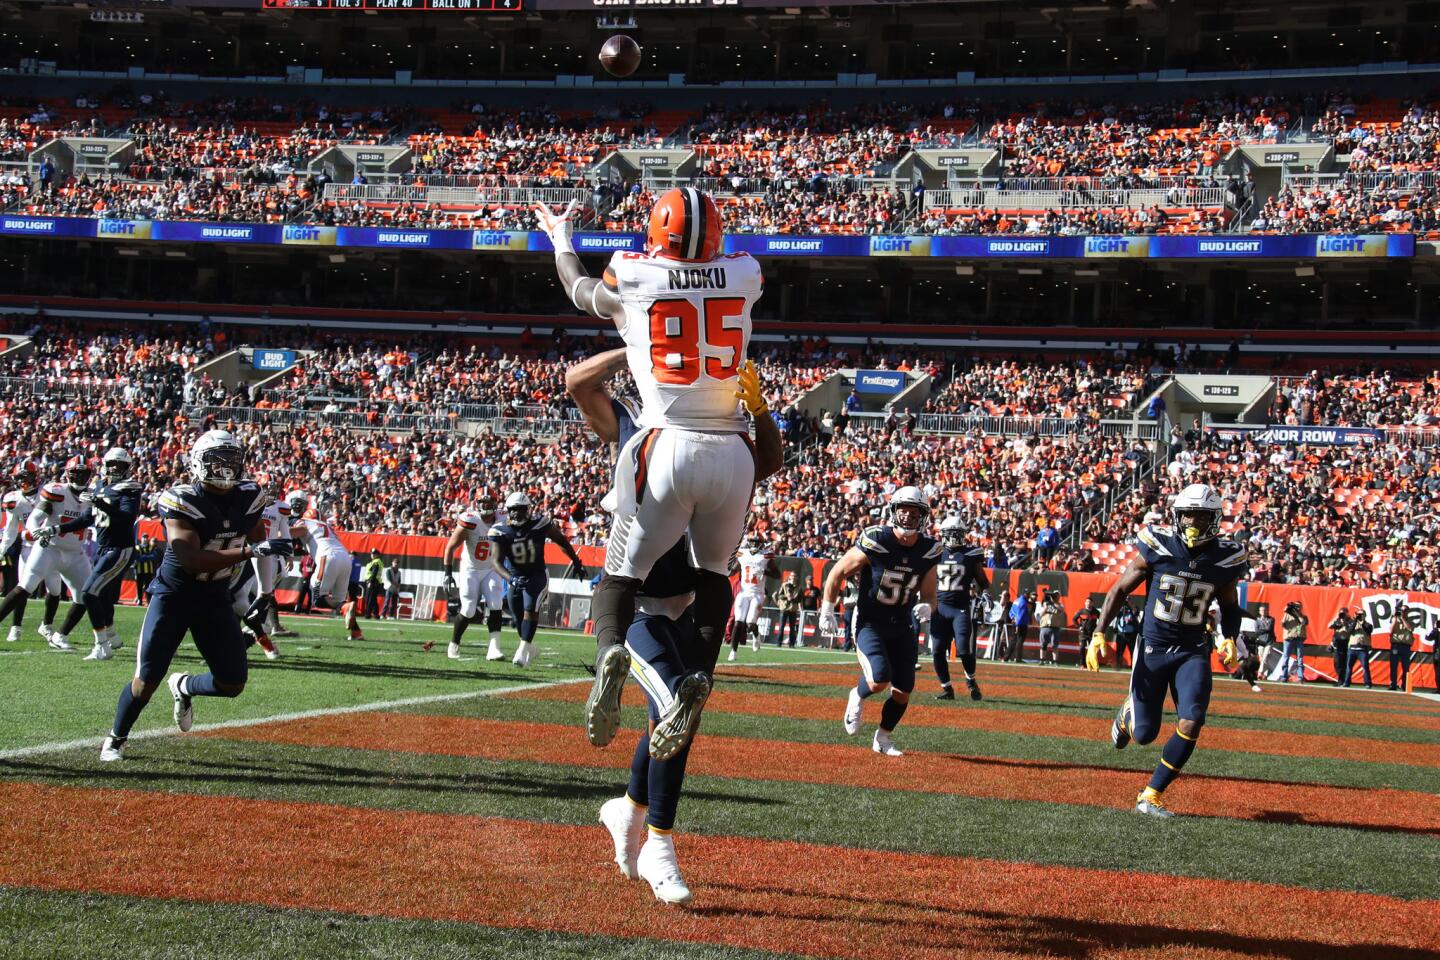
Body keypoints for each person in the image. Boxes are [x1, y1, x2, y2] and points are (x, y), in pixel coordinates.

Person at [535, 188, 764, 749]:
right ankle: (699, 675)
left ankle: (611, 649)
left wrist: (561, 238)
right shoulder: (746, 271)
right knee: (714, 575)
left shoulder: (632, 271)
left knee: (620, 575)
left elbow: (579, 289)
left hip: (666, 440)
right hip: (733, 447)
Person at [99, 430, 294, 762]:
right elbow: (192, 559)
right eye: (217, 462)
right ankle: (116, 738)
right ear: (197, 463)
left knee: (233, 683)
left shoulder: (249, 495)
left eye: (232, 461)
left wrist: (265, 590)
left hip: (215, 597)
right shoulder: (181, 499)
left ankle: (185, 686)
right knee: (146, 679)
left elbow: (261, 543)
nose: (225, 470)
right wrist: (250, 551)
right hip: (175, 596)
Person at [1086, 483, 1248, 818]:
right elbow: (1119, 589)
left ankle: (1151, 795)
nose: (1192, 521)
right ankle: (1128, 714)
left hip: (1192, 650)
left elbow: (1230, 607)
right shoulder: (1157, 544)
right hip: (1153, 648)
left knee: (1193, 720)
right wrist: (1099, 633)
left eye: (1201, 516)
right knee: (1145, 734)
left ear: (1214, 519)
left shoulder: (1224, 557)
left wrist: (1230, 636)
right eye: (1187, 513)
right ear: (1177, 514)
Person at [819, 487, 942, 757]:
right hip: (870, 622)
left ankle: (883, 739)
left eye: (914, 512)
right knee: (878, 679)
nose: (908, 516)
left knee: (903, 689)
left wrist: (928, 606)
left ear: (923, 516)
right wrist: (827, 609)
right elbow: (837, 572)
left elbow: (931, 595)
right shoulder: (877, 539)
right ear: (893, 511)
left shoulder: (929, 549)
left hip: (902, 625)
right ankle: (858, 695)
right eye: (903, 510)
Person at [0, 456, 95, 651]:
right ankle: (15, 627)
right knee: (26, 585)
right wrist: (36, 532)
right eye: (75, 473)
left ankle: (59, 635)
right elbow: (34, 518)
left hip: (75, 552)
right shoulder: (55, 491)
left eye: (83, 473)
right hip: (48, 546)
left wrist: (99, 504)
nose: (79, 477)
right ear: (67, 474)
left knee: (86, 594)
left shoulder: (94, 495)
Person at [60, 447, 144, 661]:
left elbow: (127, 517)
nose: (115, 469)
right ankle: (112, 636)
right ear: (105, 465)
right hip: (102, 548)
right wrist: (57, 529)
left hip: (119, 548)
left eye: (120, 465)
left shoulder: (129, 488)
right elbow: (87, 519)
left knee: (89, 593)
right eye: (112, 464)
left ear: (128, 468)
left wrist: (99, 503)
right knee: (104, 596)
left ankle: (102, 646)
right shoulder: (99, 486)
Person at [488, 490, 586, 669]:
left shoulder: (540, 524)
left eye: (521, 509)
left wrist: (577, 562)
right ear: (508, 511)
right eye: (514, 509)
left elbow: (562, 541)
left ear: (528, 509)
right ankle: (529, 648)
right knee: (518, 617)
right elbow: (495, 562)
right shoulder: (500, 530)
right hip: (515, 576)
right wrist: (511, 579)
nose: (517, 513)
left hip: (537, 574)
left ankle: (522, 652)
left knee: (530, 609)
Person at [440, 498, 511, 661]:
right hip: (470, 568)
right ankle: (454, 643)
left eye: (488, 502)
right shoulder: (470, 519)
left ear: (494, 505)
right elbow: (450, 546)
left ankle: (494, 648)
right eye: (482, 503)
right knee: (469, 609)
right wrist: (447, 573)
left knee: (496, 603)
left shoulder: (503, 517)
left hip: (491, 568)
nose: (484, 506)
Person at [288, 492, 363, 641]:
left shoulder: (305, 522)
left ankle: (346, 608)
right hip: (345, 558)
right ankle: (356, 632)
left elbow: (295, 533)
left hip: (327, 557)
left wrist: (277, 534)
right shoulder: (326, 526)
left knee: (317, 598)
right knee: (340, 601)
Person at [930, 515, 988, 700]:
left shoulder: (971, 554)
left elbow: (981, 579)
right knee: (938, 650)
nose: (955, 537)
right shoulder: (935, 553)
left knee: (964, 649)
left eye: (958, 533)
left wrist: (985, 593)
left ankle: (971, 680)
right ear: (944, 534)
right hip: (939, 608)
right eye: (952, 533)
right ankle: (947, 688)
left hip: (960, 608)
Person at [0, 458, 41, 642]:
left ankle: (47, 625)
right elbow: (9, 530)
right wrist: (1, 550)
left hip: (53, 546)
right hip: (28, 547)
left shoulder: (46, 493)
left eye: (26, 476)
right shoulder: (13, 499)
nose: (23, 480)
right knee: (23, 586)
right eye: (20, 477)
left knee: (55, 587)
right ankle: (15, 627)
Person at [728, 541, 776, 656]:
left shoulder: (765, 556)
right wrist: (728, 571)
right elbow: (734, 570)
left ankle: (756, 636)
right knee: (738, 622)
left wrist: (764, 571)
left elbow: (777, 574)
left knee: (750, 622)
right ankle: (733, 651)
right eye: (753, 542)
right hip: (744, 592)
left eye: (757, 542)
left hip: (758, 593)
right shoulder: (743, 555)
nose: (754, 544)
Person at [1281, 600, 1309, 683]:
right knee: (1285, 657)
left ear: (1301, 607)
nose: (1297, 607)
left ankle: (1300, 677)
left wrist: (1296, 613)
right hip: (1289, 638)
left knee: (1300, 659)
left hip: (1299, 638)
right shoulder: (1287, 615)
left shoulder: (1304, 616)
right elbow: (1282, 624)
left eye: (1299, 606)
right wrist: (1288, 611)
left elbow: (1303, 622)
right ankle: (1284, 676)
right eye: (1296, 606)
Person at [1389, 602, 1416, 692]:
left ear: (1408, 612)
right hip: (1396, 645)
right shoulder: (1395, 619)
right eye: (1402, 610)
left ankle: (1404, 685)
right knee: (1394, 666)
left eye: (1405, 611)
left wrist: (1403, 619)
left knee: (1406, 667)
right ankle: (1393, 683)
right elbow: (1390, 632)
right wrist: (1395, 619)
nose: (1403, 612)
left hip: (1406, 646)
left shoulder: (1410, 621)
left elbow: (1410, 628)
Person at [1346, 612, 1374, 688]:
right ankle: (1346, 682)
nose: (1359, 616)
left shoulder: (1368, 624)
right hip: (1352, 648)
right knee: (1349, 666)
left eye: (1361, 614)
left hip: (1362, 649)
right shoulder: (1352, 623)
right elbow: (1349, 631)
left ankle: (1367, 683)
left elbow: (1368, 630)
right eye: (1358, 614)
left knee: (1365, 666)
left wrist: (1362, 622)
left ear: (1365, 615)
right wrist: (1355, 620)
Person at [1037, 591, 1065, 666]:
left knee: (1054, 645)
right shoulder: (1045, 604)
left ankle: (1055, 661)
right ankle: (1042, 660)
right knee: (1043, 644)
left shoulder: (1060, 605)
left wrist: (1053, 603)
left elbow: (1061, 610)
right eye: (1054, 595)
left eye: (1056, 595)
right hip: (1045, 626)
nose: (1055, 597)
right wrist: (1046, 606)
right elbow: (1040, 614)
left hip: (1055, 627)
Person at [775, 572, 801, 649]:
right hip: (784, 608)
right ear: (789, 577)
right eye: (792, 575)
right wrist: (787, 596)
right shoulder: (784, 585)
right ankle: (778, 643)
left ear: (797, 578)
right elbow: (779, 595)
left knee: (792, 628)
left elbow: (800, 598)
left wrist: (794, 598)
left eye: (795, 576)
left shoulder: (799, 587)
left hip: (793, 609)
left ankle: (792, 644)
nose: (793, 577)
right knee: (781, 626)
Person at [1006, 590, 1033, 663]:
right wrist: (1018, 625)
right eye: (1028, 594)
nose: (1028, 596)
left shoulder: (1016, 600)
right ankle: (1018, 658)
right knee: (1020, 641)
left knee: (1013, 640)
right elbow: (1020, 615)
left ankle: (1006, 657)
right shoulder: (1023, 602)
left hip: (1014, 622)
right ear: (1026, 595)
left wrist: (1013, 618)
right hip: (1021, 624)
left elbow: (1011, 611)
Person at [1327, 607, 1352, 686]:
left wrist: (1344, 622)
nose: (1343, 614)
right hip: (1337, 643)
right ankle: (1340, 679)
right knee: (1337, 663)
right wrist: (1337, 617)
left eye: (1344, 613)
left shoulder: (1350, 621)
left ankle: (1345, 680)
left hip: (1346, 642)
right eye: (1341, 613)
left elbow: (1349, 630)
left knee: (1345, 663)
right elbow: (1329, 626)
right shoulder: (1337, 620)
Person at [1111, 603, 1139, 671]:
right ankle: (1118, 666)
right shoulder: (1120, 610)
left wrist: (1130, 607)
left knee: (1132, 651)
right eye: (1126, 599)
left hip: (1131, 635)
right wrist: (1121, 608)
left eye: (1128, 599)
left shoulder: (1133, 608)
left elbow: (1136, 612)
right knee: (1119, 651)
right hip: (1121, 634)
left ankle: (1134, 666)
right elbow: (1114, 613)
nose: (1126, 601)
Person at [360, 548, 386, 619]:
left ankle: (368, 614)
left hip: (373, 582)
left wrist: (370, 582)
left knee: (369, 598)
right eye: (371, 553)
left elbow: (374, 572)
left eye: (373, 554)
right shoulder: (374, 561)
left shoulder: (376, 562)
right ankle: (376, 614)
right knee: (373, 599)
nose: (372, 555)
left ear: (377, 555)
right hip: (374, 582)